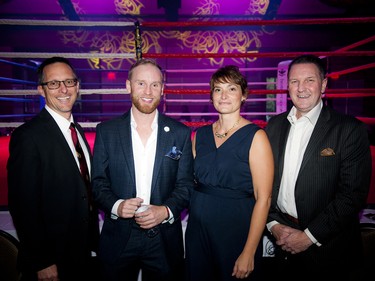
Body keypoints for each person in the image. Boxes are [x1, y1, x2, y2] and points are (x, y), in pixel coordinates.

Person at [265, 54, 372, 280]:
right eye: (294, 81)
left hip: (329, 250)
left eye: (309, 80)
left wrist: (308, 237)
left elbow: (352, 196)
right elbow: (263, 184)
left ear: (323, 85)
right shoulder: (273, 126)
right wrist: (273, 224)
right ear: (287, 86)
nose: (301, 88)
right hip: (282, 242)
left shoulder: (350, 130)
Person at [91, 58, 195, 281]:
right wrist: (117, 206)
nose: (148, 91)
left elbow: (186, 185)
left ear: (162, 89)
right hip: (119, 236)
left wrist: (165, 211)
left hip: (164, 240)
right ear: (128, 86)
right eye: (141, 83)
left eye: (155, 84)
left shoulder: (180, 133)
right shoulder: (106, 132)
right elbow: (97, 183)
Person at [7, 56, 100, 281]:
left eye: (69, 82)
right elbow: (23, 205)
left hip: (81, 253)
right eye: (53, 83)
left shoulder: (75, 130)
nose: (63, 89)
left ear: (77, 86)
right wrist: (42, 261)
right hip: (51, 261)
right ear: (41, 90)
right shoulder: (28, 136)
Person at [185, 65, 274, 281]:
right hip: (198, 231)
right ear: (211, 96)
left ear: (243, 95)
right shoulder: (200, 135)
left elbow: (264, 199)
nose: (223, 96)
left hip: (235, 231)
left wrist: (249, 251)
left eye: (231, 89)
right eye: (217, 89)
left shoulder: (256, 137)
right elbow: (189, 182)